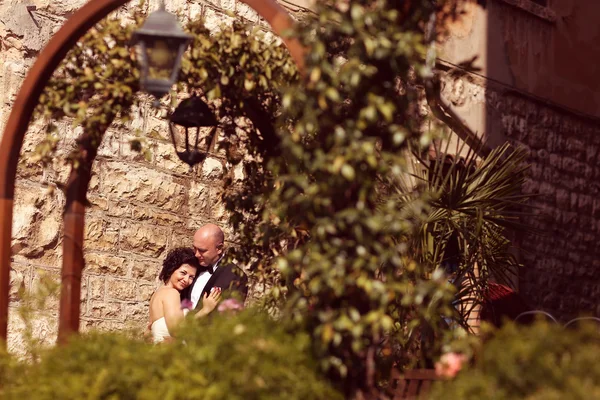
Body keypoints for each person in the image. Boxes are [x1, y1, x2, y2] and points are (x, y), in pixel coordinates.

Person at [149, 247, 221, 343]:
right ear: (172, 269)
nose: (186, 280)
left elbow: (148, 331)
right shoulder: (172, 293)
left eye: (191, 277)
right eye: (183, 273)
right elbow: (178, 331)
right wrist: (205, 310)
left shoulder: (158, 293)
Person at [182, 223, 248, 311]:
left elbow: (229, 317)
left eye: (202, 250)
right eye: (194, 248)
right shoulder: (192, 264)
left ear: (219, 248)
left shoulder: (235, 276)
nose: (196, 254)